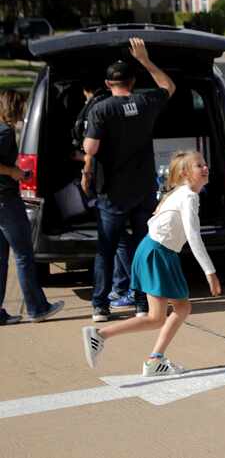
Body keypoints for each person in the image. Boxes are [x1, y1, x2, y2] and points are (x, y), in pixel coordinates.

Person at [81, 150, 222, 376]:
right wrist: (210, 272)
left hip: (157, 252)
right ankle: (101, 335)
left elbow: (155, 217)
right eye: (199, 165)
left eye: (205, 164)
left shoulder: (180, 192)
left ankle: (155, 359)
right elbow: (193, 235)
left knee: (182, 307)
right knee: (157, 317)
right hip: (157, 253)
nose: (205, 168)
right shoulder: (188, 197)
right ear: (186, 173)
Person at [81, 37, 176, 322]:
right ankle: (141, 303)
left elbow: (90, 148)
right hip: (142, 189)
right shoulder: (146, 101)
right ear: (132, 81)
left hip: (112, 194)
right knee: (141, 248)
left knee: (106, 250)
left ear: (109, 84)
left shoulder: (101, 109)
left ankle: (100, 306)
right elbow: (168, 87)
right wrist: (145, 60)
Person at [0, 89, 64, 325]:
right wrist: (14, 172)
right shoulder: (5, 132)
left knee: (2, 258)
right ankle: (37, 308)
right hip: (6, 200)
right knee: (24, 255)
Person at [72, 81, 133, 308]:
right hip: (128, 184)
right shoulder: (121, 109)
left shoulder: (97, 110)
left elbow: (91, 149)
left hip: (107, 187)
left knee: (112, 243)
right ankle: (122, 287)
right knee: (121, 241)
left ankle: (110, 296)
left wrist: (85, 171)